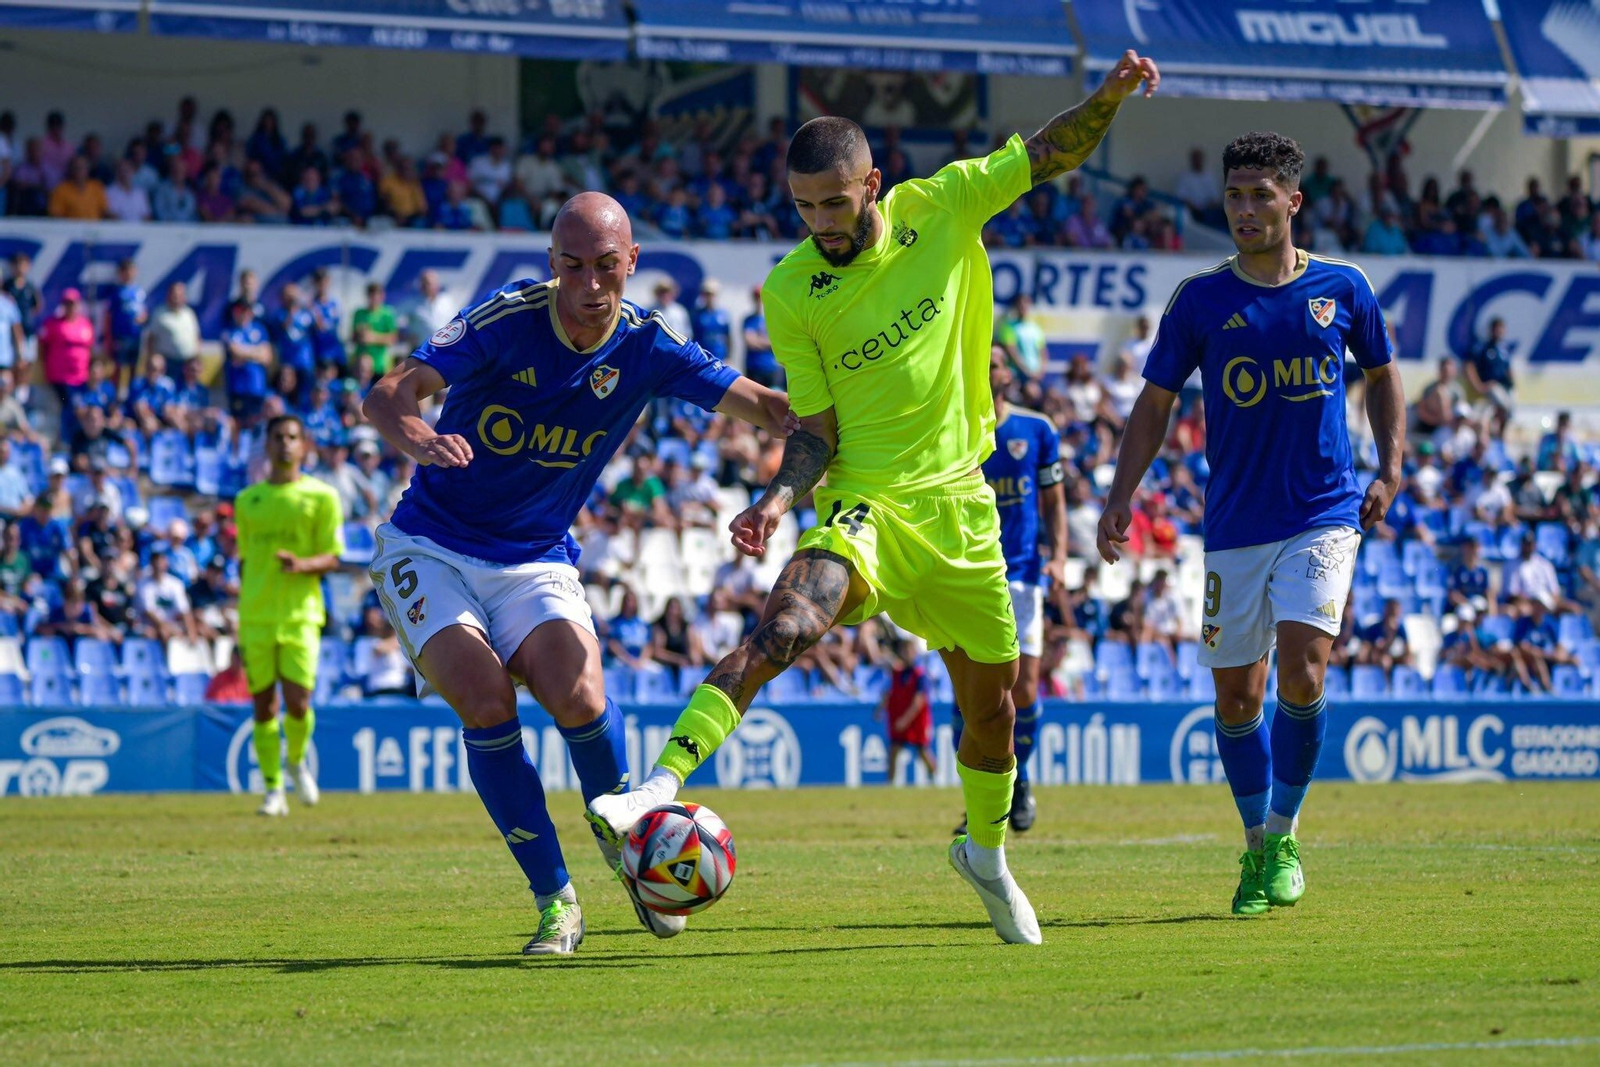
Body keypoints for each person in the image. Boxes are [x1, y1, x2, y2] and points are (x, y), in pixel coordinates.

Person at [590, 50, 1162, 948]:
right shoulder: (791, 289)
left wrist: (1112, 95)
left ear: (874, 185)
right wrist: (780, 499)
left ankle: (984, 854)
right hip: (866, 508)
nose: (821, 221)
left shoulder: (944, 206)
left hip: (964, 514)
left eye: (834, 201)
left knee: (993, 711)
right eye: (804, 205)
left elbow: (1051, 151)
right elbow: (814, 428)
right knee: (783, 627)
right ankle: (654, 790)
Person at [360, 191, 795, 955]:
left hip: (533, 555)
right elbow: (388, 393)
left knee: (580, 692)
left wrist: (820, 418)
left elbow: (757, 403)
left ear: (632, 263)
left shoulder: (648, 344)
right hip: (430, 545)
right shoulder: (506, 319)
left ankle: (627, 841)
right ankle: (555, 900)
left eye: (605, 267)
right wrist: (418, 433)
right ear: (551, 264)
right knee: (487, 699)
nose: (590, 286)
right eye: (572, 267)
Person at [1095, 131, 1404, 917]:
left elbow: (1383, 374)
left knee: (1304, 669)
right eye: (1234, 195)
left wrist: (1392, 466)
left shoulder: (1344, 286)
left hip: (1324, 513)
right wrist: (1120, 492)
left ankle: (1287, 835)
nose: (1244, 209)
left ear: (1293, 201)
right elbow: (1154, 404)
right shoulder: (1200, 300)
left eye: (1260, 194)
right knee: (1238, 697)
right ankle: (1257, 846)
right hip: (1234, 524)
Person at [952, 346, 1065, 834]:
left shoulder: (1037, 430)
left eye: (997, 363)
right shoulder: (954, 426)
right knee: (972, 695)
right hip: (969, 574)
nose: (990, 368)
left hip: (1021, 575)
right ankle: (984, 800)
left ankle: (1019, 784)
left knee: (1025, 689)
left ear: (1008, 374)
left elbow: (1053, 501)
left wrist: (1059, 555)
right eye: (985, 361)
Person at [234, 415, 345, 817]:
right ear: (267, 445)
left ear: (304, 445)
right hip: (256, 615)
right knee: (263, 706)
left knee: (298, 704)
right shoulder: (247, 501)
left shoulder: (322, 497)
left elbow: (333, 556)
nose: (284, 444)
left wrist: (301, 564)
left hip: (301, 614)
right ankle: (272, 789)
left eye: (292, 437)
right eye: (277, 437)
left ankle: (296, 761)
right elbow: (247, 560)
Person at [879, 637, 935, 784]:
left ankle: (936, 778)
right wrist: (880, 709)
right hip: (899, 717)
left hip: (916, 720)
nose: (906, 654)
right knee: (893, 750)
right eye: (904, 651)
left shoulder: (920, 675)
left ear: (915, 653)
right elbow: (888, 693)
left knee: (922, 750)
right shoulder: (897, 673)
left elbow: (919, 701)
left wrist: (905, 719)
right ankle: (889, 784)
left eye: (909, 651)